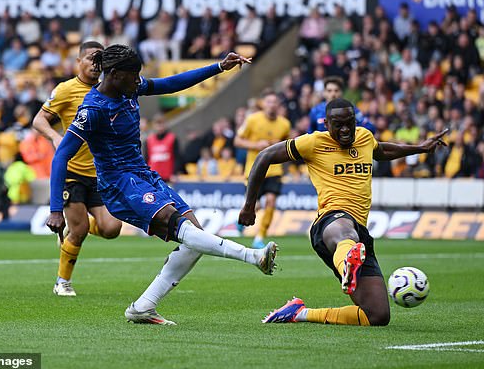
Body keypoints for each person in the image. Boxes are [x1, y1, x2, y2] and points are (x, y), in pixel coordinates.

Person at [46, 45, 277, 325]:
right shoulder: (93, 110)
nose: (138, 81)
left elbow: (169, 84)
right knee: (180, 227)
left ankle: (144, 307)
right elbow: (61, 156)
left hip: (143, 175)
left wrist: (218, 67)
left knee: (195, 237)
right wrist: (56, 208)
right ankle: (252, 256)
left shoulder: (128, 87)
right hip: (119, 184)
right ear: (115, 74)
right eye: (133, 76)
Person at [238, 98, 448, 326]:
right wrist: (249, 205)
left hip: (360, 233)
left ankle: (299, 313)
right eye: (338, 124)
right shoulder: (313, 142)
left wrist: (420, 147)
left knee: (377, 315)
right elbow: (264, 156)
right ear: (326, 124)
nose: (346, 129)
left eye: (350, 122)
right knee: (345, 232)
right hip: (330, 221)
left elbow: (382, 150)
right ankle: (348, 261)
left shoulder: (365, 137)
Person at [32, 41, 123, 297]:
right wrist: (53, 136)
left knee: (111, 229)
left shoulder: (109, 90)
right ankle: (62, 282)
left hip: (100, 173)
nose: (95, 65)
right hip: (71, 173)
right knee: (80, 231)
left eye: (99, 60)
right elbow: (38, 120)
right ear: (78, 62)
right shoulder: (65, 90)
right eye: (91, 59)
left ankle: (77, 226)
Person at [234, 90, 291, 248]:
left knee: (271, 201)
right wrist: (255, 145)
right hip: (254, 169)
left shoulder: (284, 124)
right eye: (269, 102)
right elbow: (237, 140)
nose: (272, 105)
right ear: (263, 104)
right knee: (255, 204)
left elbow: (286, 144)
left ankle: (260, 237)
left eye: (275, 102)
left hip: (274, 170)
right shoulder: (252, 120)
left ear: (278, 106)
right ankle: (242, 216)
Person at [308, 76, 375, 134]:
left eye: (336, 90)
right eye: (329, 91)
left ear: (341, 92)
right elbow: (310, 133)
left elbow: (370, 128)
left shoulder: (350, 109)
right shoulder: (316, 110)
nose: (333, 94)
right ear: (324, 93)